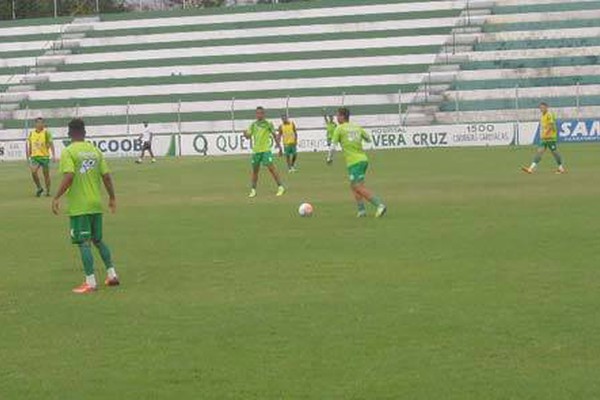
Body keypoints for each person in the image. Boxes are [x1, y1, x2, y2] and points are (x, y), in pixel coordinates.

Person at [52, 118, 120, 294]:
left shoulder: (69, 152)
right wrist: (112, 197)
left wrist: (56, 197)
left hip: (80, 205)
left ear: (69, 133)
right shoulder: (95, 151)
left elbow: (68, 176)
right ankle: (112, 275)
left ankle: (90, 282)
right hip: (96, 204)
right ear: (85, 132)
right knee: (98, 240)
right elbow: (106, 176)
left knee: (84, 243)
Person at [330, 107, 386, 218]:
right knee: (355, 186)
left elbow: (333, 145)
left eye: (338, 115)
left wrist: (329, 158)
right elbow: (368, 139)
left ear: (342, 116)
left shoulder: (339, 128)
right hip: (363, 159)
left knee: (357, 186)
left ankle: (379, 205)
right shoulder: (356, 127)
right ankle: (361, 211)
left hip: (354, 162)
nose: (336, 117)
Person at [244, 107, 286, 198]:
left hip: (266, 150)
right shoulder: (253, 125)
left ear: (264, 114)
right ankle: (253, 190)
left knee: (271, 168)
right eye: (257, 113)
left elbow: (275, 136)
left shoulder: (268, 124)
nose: (259, 115)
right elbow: (248, 136)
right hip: (256, 151)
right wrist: (245, 134)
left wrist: (280, 148)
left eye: (261, 113)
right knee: (255, 171)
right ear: (256, 114)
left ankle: (280, 187)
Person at [522, 102, 566, 174]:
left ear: (546, 107)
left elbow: (551, 126)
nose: (541, 109)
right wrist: (543, 135)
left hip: (551, 138)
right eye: (540, 108)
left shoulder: (549, 115)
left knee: (554, 153)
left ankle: (561, 168)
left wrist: (546, 133)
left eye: (543, 107)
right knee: (539, 152)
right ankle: (530, 168)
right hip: (544, 138)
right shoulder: (542, 116)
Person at [26, 117, 56, 197]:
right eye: (39, 123)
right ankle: (39, 187)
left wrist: (53, 155)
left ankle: (48, 191)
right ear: (35, 124)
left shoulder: (46, 133)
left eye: (42, 123)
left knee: (46, 175)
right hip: (35, 157)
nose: (41, 124)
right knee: (33, 172)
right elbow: (30, 145)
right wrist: (29, 154)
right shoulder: (32, 133)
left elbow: (51, 143)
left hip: (44, 157)